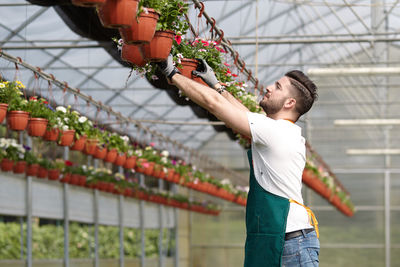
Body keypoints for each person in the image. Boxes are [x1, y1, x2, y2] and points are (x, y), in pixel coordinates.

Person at [158, 55, 320, 267]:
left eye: (278, 87)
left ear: (290, 103)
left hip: (289, 241)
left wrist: (173, 75)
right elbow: (245, 114)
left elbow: (213, 104)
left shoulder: (276, 131)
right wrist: (216, 84)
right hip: (285, 238)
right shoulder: (279, 130)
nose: (269, 87)